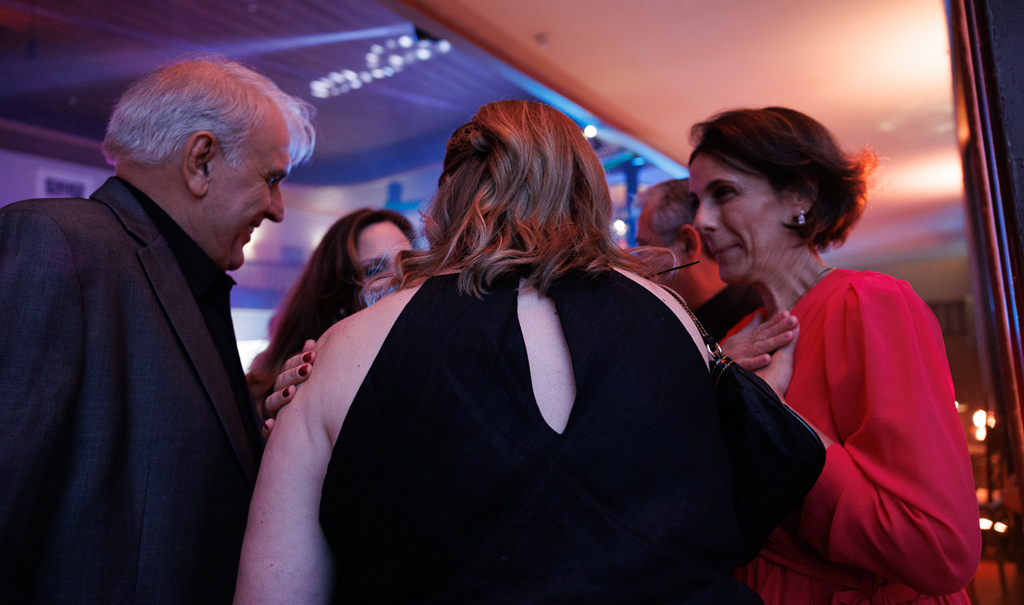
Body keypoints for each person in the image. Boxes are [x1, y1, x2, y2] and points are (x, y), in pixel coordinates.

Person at [235, 100, 764, 604]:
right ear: (588, 192)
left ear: (449, 198)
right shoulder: (674, 317)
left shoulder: (347, 347)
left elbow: (274, 589)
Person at [0, 55, 316, 604]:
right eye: (271, 179)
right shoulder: (54, 242)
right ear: (201, 161)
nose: (277, 209)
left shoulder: (191, 278)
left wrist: (269, 436)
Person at [686, 106, 981, 604]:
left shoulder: (870, 304)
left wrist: (779, 427)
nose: (701, 222)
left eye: (725, 193)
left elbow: (939, 549)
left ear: (799, 197)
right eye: (697, 201)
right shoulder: (737, 338)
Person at [246, 208, 415, 408]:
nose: (401, 278)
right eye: (374, 270)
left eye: (409, 264)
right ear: (340, 296)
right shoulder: (310, 377)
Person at [635, 178, 763, 341]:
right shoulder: (697, 322)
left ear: (687, 244)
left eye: (643, 247)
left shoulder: (751, 331)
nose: (636, 267)